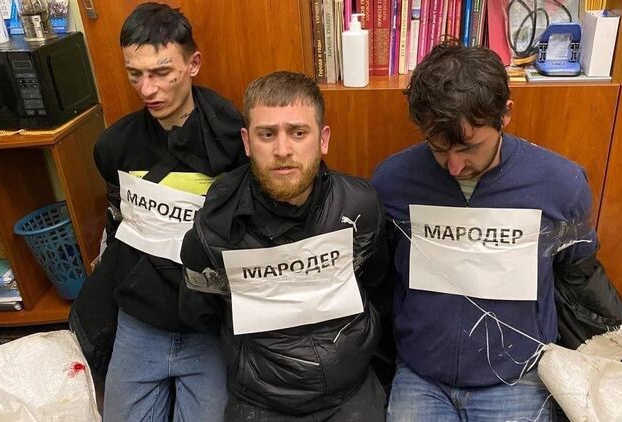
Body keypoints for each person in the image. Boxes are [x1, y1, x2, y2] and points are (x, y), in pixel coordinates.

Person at [372, 41, 600, 421]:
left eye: (469, 148)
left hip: (518, 374)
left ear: (505, 114)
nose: (454, 167)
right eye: (438, 148)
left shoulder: (561, 185)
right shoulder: (392, 182)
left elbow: (576, 272)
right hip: (422, 371)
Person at [68, 3, 246, 421]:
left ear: (193, 64)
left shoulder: (233, 139)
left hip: (207, 317)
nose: (147, 89)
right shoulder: (114, 146)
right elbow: (119, 222)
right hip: (141, 313)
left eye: (162, 72)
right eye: (135, 74)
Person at [178, 71, 389, 421]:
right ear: (247, 142)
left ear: (323, 139)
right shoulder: (213, 230)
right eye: (266, 134)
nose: (282, 150)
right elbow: (201, 313)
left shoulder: (361, 206)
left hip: (351, 389)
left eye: (298, 132)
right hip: (261, 400)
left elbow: (377, 285)